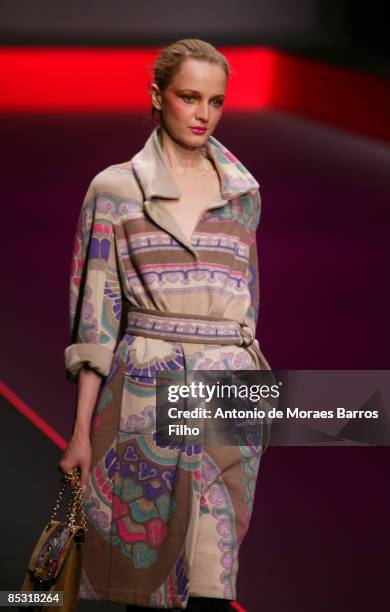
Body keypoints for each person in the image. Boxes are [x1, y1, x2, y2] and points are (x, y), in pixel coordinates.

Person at [59, 38, 272, 611]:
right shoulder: (115, 190)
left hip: (230, 388)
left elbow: (246, 298)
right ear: (157, 96)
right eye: (189, 97)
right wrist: (80, 431)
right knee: (148, 584)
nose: (204, 113)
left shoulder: (243, 193)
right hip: (150, 391)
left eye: (216, 101)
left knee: (212, 581)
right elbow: (96, 317)